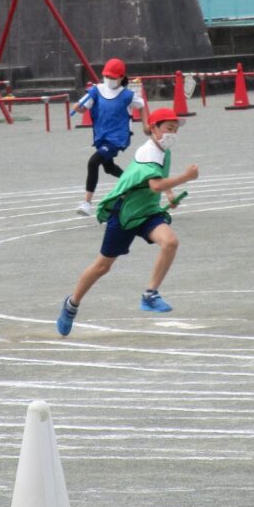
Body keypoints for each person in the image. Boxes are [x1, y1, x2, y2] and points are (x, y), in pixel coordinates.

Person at [57, 108, 199, 337]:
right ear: (153, 128)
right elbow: (155, 185)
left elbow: (161, 178)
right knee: (102, 266)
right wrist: (186, 177)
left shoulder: (163, 150)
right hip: (125, 213)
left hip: (147, 212)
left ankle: (150, 294)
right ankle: (72, 304)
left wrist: (170, 194)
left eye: (175, 130)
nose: (172, 133)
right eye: (168, 128)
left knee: (170, 242)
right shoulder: (148, 152)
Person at [72, 57, 147, 216]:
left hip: (117, 137)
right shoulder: (96, 90)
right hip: (102, 136)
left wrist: (145, 125)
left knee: (93, 162)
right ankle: (133, 184)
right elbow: (83, 109)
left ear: (121, 77)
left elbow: (142, 105)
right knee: (109, 168)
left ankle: (87, 203)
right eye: (106, 76)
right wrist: (78, 108)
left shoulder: (127, 95)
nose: (109, 79)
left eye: (112, 77)